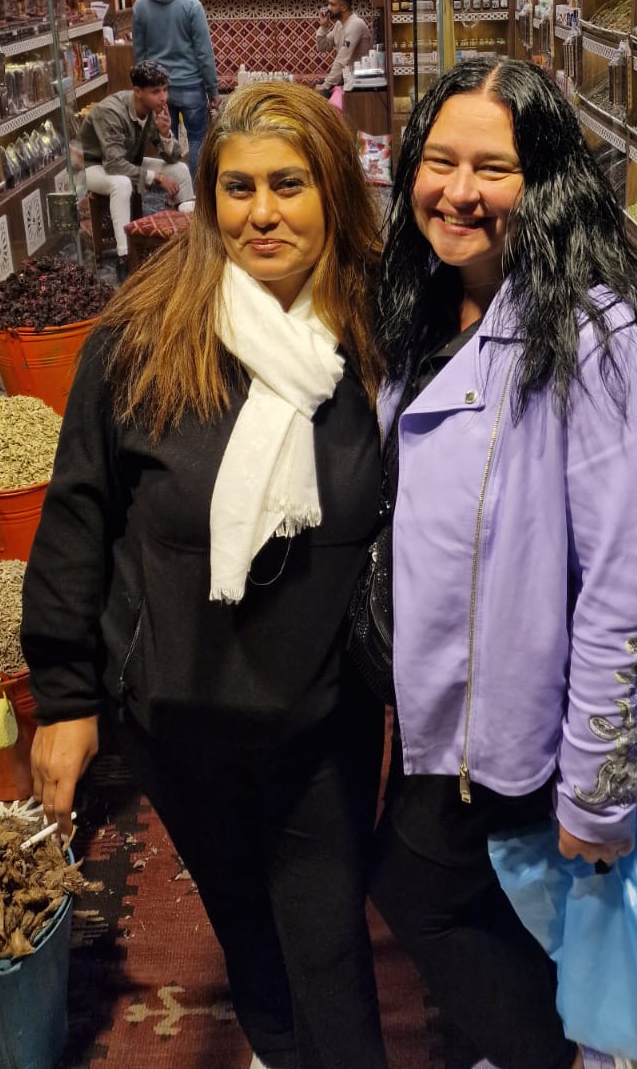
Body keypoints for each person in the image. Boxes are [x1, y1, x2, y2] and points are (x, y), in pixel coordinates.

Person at [22, 83, 388, 1069]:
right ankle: (274, 1044)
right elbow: (78, 518)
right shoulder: (141, 342)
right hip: (178, 713)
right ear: (208, 195)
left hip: (320, 722)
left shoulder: (378, 341)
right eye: (238, 186)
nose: (262, 212)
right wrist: (67, 696)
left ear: (334, 192)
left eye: (289, 184)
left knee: (329, 946)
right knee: (243, 917)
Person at [369, 58, 637, 1069]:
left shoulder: (601, 339)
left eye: (493, 168)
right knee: (501, 911)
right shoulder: (434, 300)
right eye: (439, 161)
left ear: (546, 182)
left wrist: (598, 792)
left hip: (531, 734)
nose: (458, 190)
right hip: (458, 720)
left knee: (422, 893)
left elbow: (633, 587)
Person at [82, 59, 194, 277]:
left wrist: (165, 134)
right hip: (94, 166)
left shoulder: (153, 110)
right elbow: (114, 164)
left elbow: (172, 157)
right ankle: (125, 257)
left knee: (179, 170)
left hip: (128, 162)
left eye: (165, 90)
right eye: (156, 92)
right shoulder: (111, 111)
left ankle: (188, 237)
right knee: (122, 184)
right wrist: (157, 177)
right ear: (138, 92)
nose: (163, 97)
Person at [132, 0, 218, 176]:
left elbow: (139, 54)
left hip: (157, 89)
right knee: (198, 138)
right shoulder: (191, 6)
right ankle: (195, 190)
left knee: (164, 139)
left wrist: (141, 90)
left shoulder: (140, 6)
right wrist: (213, 90)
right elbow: (204, 53)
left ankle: (173, 188)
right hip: (191, 84)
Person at [314, 0, 373, 95]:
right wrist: (323, 27)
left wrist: (326, 85)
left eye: (332, 5)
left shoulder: (355, 24)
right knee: (312, 89)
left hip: (359, 81)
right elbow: (322, 47)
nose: (328, 8)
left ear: (343, 8)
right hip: (347, 78)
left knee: (319, 93)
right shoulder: (339, 24)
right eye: (328, 4)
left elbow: (342, 59)